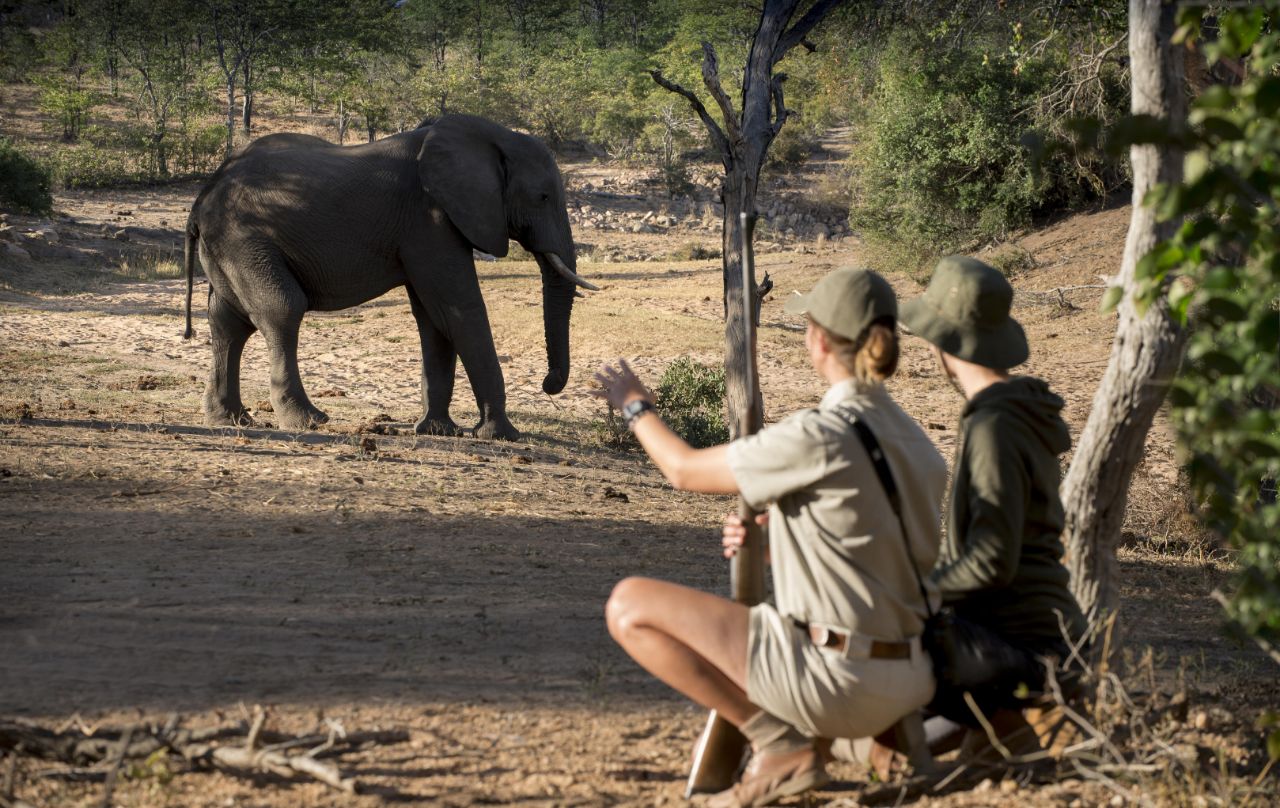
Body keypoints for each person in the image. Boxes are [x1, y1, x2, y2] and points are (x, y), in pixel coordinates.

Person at [594, 268, 948, 808]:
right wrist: (779, 531)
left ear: (819, 338)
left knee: (629, 605)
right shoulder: (921, 444)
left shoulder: (819, 434)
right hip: (912, 679)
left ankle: (778, 743)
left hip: (838, 681)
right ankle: (892, 744)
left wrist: (635, 405)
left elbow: (684, 470)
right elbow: (872, 543)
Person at [899, 255, 1089, 736]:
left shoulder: (994, 426)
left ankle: (1021, 723)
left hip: (1017, 649)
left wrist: (914, 594)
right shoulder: (1020, 412)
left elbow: (990, 562)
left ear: (944, 343)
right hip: (1046, 638)